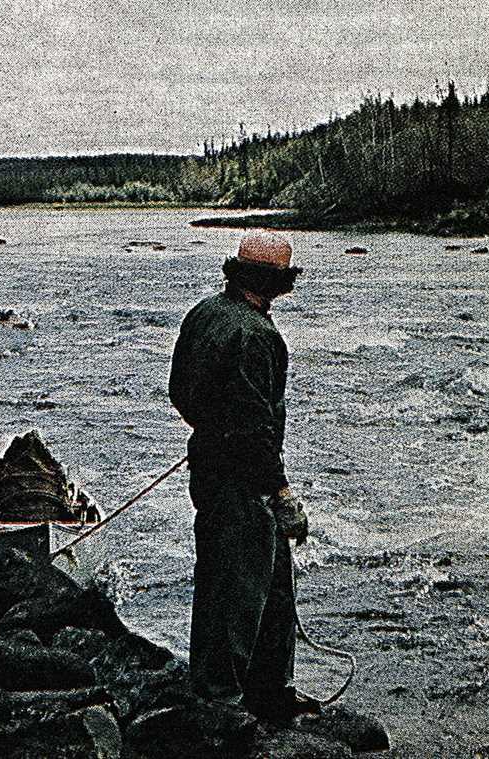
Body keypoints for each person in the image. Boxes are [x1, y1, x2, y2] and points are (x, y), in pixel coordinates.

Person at [168, 229, 316, 723]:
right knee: (234, 588)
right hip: (241, 480)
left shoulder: (204, 313)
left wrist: (212, 431)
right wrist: (280, 489)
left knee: (271, 584)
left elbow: (180, 393)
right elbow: (257, 427)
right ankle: (220, 702)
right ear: (275, 283)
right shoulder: (259, 336)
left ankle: (271, 691)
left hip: (209, 464)